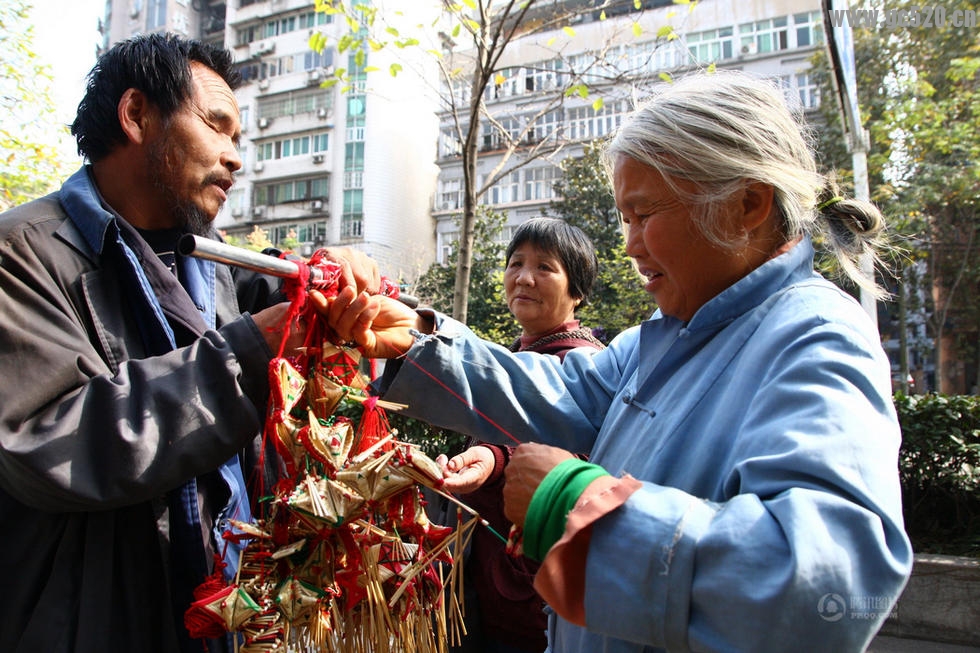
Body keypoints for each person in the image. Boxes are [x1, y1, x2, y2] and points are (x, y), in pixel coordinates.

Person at [321, 71, 913, 652]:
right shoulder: (661, 338)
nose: (629, 246)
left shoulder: (814, 334)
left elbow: (823, 591)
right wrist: (418, 338)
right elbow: (552, 392)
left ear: (746, 205)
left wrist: (572, 500)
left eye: (643, 215)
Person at [0, 33, 373, 653]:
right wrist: (253, 354)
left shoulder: (211, 263)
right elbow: (46, 443)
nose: (235, 158)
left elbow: (291, 294)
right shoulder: (22, 254)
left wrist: (335, 281)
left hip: (213, 612)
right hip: (87, 623)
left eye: (239, 140)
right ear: (137, 115)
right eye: (218, 127)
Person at [438, 218, 605, 653]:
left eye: (545, 267)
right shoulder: (520, 355)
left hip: (534, 585)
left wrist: (493, 461)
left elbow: (565, 447)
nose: (524, 277)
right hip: (492, 574)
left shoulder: (586, 366)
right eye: (516, 263)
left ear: (578, 289)